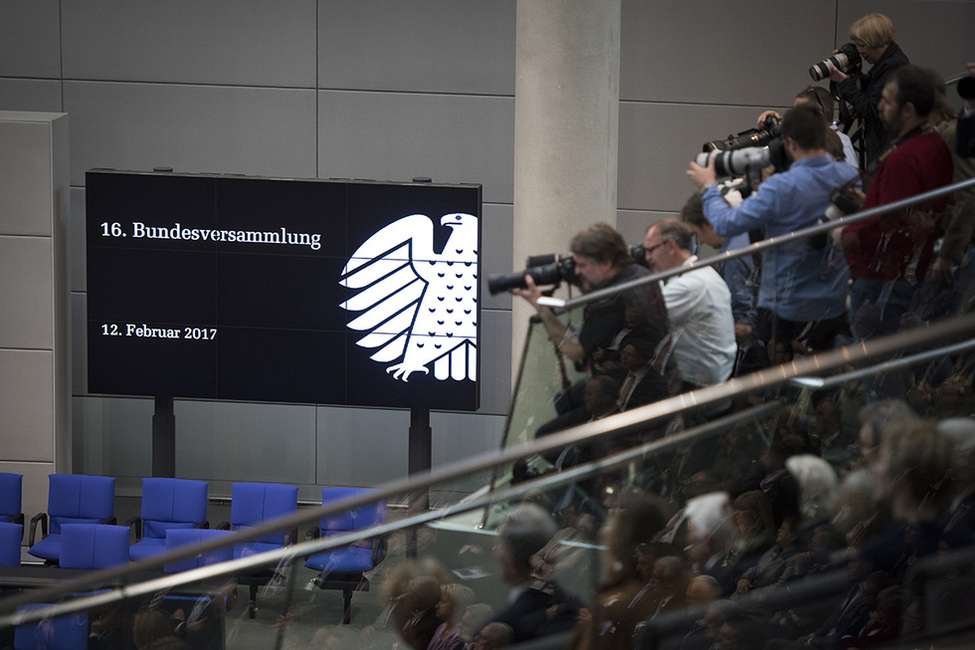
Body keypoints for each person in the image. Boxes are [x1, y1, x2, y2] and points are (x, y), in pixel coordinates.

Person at [688, 105, 860, 359]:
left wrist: (709, 187)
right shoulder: (849, 174)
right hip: (839, 295)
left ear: (789, 143)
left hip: (792, 301)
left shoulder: (781, 187)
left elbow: (724, 224)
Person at [840, 65, 954, 339]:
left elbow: (891, 224)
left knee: (872, 363)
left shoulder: (906, 157)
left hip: (884, 275)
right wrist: (870, 202)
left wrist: (846, 236)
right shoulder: (929, 144)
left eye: (888, 100)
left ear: (908, 110)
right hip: (898, 271)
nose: (879, 107)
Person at [512, 222, 668, 373]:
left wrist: (539, 304)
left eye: (582, 265)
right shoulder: (637, 275)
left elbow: (574, 350)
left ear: (606, 264)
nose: (577, 271)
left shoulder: (616, 298)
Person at [643, 219, 737, 393]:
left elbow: (644, 319)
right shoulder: (698, 272)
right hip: (700, 376)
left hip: (698, 385)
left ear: (671, 246)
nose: (647, 258)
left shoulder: (690, 283)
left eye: (651, 250)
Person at [488, 503, 584, 644]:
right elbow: (535, 557)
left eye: (573, 514)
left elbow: (559, 572)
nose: (569, 517)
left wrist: (542, 566)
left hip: (545, 591)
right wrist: (544, 565)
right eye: (568, 513)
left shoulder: (584, 544)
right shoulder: (564, 533)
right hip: (535, 584)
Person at [829, 13, 910, 169]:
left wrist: (844, 83)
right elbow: (873, 90)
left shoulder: (893, 65)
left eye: (862, 45)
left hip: (886, 147)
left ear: (875, 42)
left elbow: (872, 108)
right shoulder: (888, 61)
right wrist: (852, 72)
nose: (860, 51)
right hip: (882, 143)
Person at [758, 86, 858, 167]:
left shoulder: (843, 144)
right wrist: (770, 129)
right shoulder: (805, 139)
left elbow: (850, 185)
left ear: (819, 115)